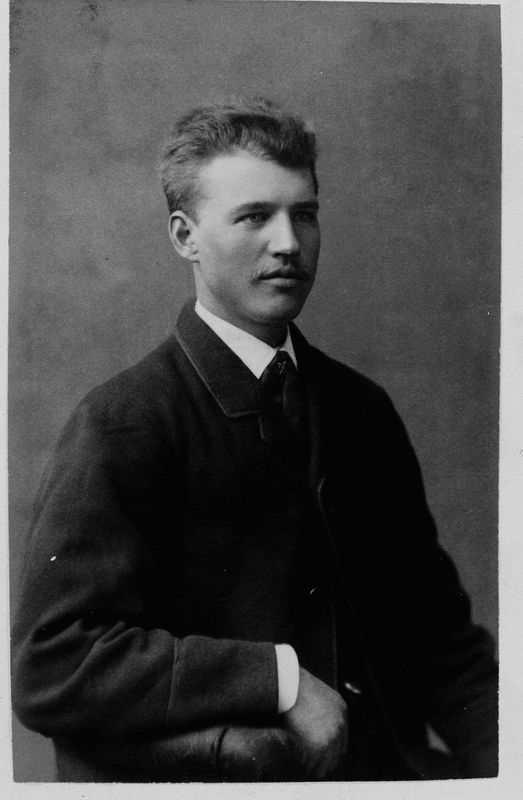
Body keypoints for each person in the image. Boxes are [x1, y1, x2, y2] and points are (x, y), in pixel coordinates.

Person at [12, 96, 498, 782]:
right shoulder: (124, 422)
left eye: (305, 214)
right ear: (185, 236)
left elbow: (442, 646)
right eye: (253, 217)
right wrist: (277, 679)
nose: (289, 243)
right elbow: (54, 663)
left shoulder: (360, 410)